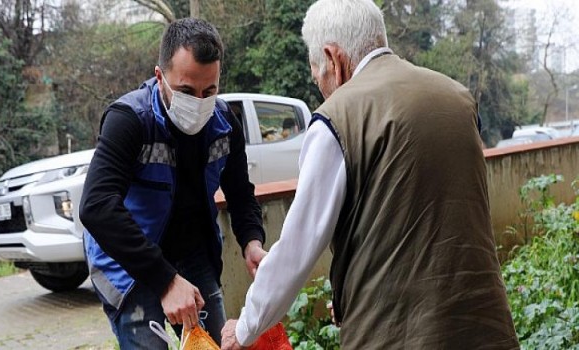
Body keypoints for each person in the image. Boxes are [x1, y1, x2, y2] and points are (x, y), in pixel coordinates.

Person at [221, 0, 519, 349]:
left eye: (317, 72)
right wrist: (351, 295)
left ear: (333, 58)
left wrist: (244, 330)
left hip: (399, 336)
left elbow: (296, 250)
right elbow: (420, 225)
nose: (319, 83)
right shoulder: (458, 98)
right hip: (486, 327)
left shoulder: (338, 118)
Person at [79, 18, 267, 350]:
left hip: (194, 256)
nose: (198, 101)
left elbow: (240, 192)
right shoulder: (129, 120)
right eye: (186, 91)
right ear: (159, 77)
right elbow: (96, 206)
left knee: (215, 344)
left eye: (209, 91)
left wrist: (252, 241)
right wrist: (166, 281)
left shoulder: (225, 125)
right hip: (130, 265)